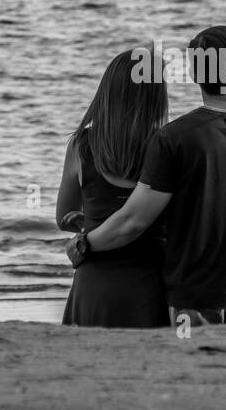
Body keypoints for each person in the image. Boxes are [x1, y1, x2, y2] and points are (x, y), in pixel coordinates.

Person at [67, 26, 226, 325]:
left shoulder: (174, 139)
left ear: (196, 75)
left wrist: (85, 243)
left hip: (196, 299)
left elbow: (134, 220)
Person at [57, 48, 171, 328]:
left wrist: (92, 227)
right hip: (153, 284)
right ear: (157, 98)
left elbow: (64, 218)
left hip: (95, 282)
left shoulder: (81, 146)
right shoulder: (170, 147)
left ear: (108, 92)